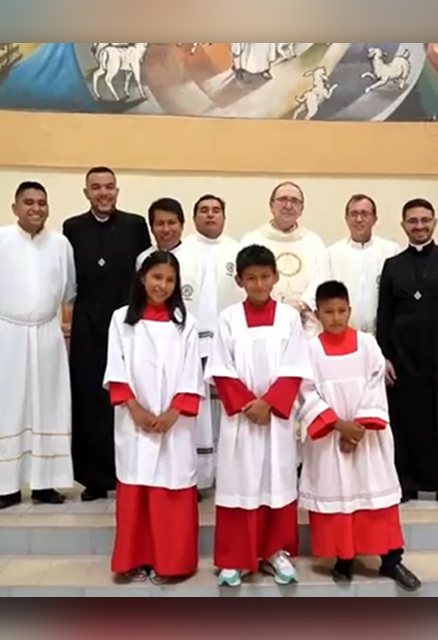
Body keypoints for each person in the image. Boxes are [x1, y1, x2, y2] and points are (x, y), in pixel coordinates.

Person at [298, 281, 421, 591]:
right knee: (338, 497)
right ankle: (344, 558)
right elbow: (306, 392)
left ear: (350, 310)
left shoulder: (367, 344)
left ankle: (391, 559)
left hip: (368, 439)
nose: (336, 318)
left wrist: (357, 428)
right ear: (318, 314)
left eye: (341, 311)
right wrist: (338, 425)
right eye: (328, 312)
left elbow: (375, 385)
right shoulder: (309, 350)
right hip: (330, 439)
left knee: (375, 496)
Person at [205, 245, 312, 588]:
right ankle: (235, 557)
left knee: (276, 483)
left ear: (276, 277)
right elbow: (221, 367)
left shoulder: (289, 318)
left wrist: (271, 403)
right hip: (241, 419)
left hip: (276, 420)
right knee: (240, 484)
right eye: (251, 278)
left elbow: (296, 365)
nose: (259, 284)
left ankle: (276, 552)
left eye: (265, 276)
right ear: (239, 280)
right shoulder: (228, 318)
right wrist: (248, 404)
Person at [105, 251, 204, 584]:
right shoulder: (121, 320)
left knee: (170, 487)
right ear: (142, 278)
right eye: (156, 277)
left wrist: (174, 412)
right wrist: (135, 409)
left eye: (170, 280)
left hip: (175, 424)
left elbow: (192, 373)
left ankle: (172, 563)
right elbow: (115, 368)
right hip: (134, 420)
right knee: (137, 484)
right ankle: (135, 559)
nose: (162, 285)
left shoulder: (186, 324)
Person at [0, 181, 76, 509]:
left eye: (42, 203)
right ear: (15, 207)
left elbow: (69, 290)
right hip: (7, 333)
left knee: (50, 405)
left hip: (47, 333)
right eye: (29, 202)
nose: (36, 208)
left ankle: (45, 483)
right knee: (8, 406)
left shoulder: (60, 244)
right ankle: (6, 486)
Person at [376, 198, 438, 507]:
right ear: (403, 225)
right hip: (403, 357)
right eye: (413, 221)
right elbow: (384, 315)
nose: (419, 226)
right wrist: (384, 357)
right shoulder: (393, 266)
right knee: (406, 420)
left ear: (434, 222)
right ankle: (406, 483)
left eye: (425, 220)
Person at [63, 167, 152, 502]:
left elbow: (144, 271)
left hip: (127, 320)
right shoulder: (72, 227)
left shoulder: (134, 225)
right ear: (86, 192)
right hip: (87, 322)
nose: (103, 193)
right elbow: (69, 278)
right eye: (96, 187)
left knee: (127, 394)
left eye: (109, 186)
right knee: (89, 398)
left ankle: (128, 472)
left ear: (117, 190)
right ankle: (94, 478)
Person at [162, 194, 241, 491]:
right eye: (204, 210)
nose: (210, 215)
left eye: (216, 210)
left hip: (229, 342)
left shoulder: (237, 250)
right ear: (194, 218)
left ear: (224, 216)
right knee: (197, 409)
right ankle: (197, 476)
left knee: (227, 407)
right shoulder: (180, 253)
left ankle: (229, 474)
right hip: (189, 341)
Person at [241, 182, 328, 333]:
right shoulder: (252, 240)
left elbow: (322, 279)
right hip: (263, 320)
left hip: (305, 324)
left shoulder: (314, 242)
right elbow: (244, 280)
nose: (288, 206)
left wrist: (301, 305)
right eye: (282, 199)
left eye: (295, 201)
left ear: (301, 209)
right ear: (271, 205)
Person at [314, 194, 399, 335]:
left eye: (365, 214)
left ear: (375, 219)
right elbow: (321, 293)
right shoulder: (332, 253)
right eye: (354, 214)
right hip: (344, 334)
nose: (359, 219)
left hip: (383, 335)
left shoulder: (391, 251)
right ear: (346, 219)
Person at [137, 198, 186, 265]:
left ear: (182, 225)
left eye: (171, 223)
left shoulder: (196, 255)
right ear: (151, 228)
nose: (166, 230)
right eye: (160, 224)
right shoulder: (144, 258)